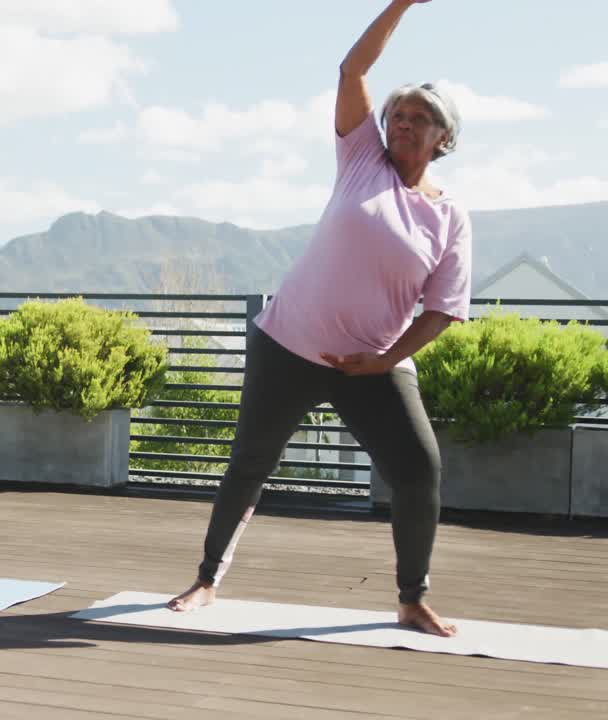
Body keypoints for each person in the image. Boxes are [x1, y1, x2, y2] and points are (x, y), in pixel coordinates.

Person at [167, 0, 470, 636]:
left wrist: (385, 360)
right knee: (251, 461)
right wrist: (404, 4)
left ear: (445, 139)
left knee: (419, 469)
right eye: (398, 116)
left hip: (373, 362)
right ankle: (205, 580)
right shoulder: (362, 161)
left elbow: (444, 308)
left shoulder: (450, 217)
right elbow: (352, 67)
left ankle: (411, 598)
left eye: (420, 120)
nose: (404, 125)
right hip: (288, 343)